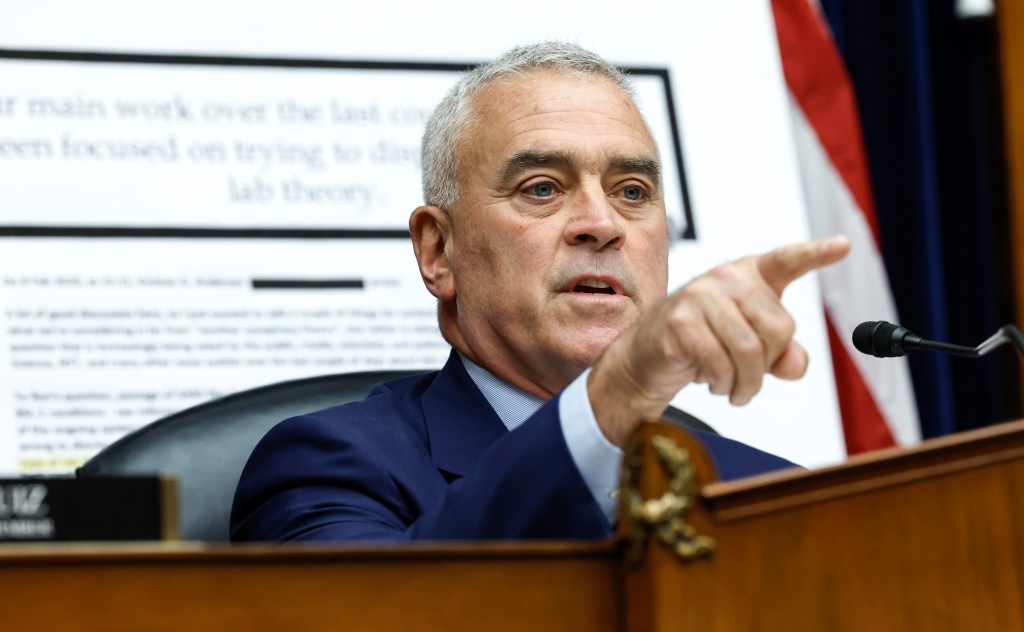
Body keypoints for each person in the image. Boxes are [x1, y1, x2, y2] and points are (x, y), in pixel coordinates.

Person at [230, 42, 850, 542]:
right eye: (542, 188)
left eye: (632, 191)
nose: (602, 223)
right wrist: (617, 393)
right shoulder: (328, 469)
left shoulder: (770, 499)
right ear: (437, 252)